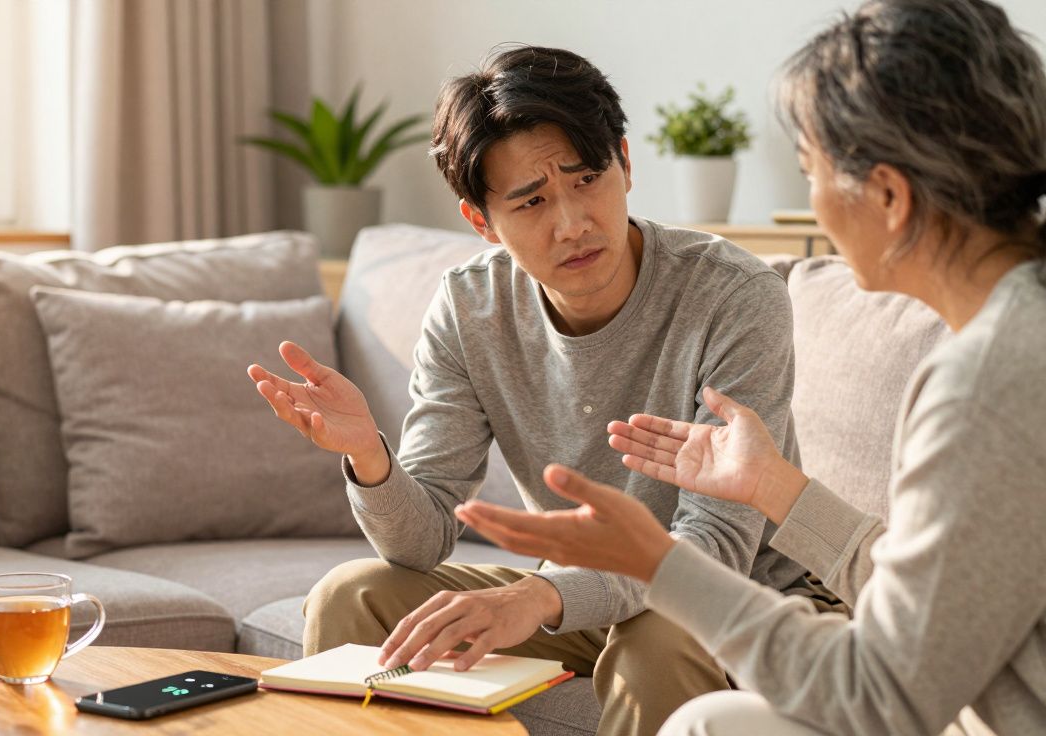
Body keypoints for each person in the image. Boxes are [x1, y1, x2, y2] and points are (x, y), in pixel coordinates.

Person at [455, 2, 1046, 734]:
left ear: (889, 196)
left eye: (811, 172)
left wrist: (658, 561)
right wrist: (776, 487)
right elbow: (936, 607)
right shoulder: (1016, 333)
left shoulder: (986, 384)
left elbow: (879, 696)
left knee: (708, 726)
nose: (813, 203)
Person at [247, 46, 823, 735]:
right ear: (480, 221)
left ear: (626, 163)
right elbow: (421, 541)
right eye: (533, 201)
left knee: (657, 640)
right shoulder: (470, 308)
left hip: (740, 601)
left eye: (587, 179)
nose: (573, 222)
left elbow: (715, 545)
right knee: (353, 595)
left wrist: (541, 594)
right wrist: (370, 456)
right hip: (587, 596)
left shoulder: (732, 294)